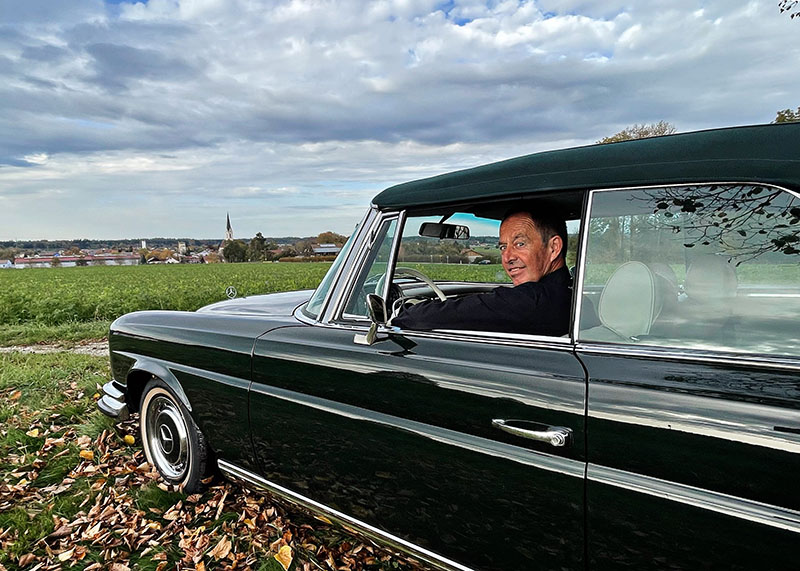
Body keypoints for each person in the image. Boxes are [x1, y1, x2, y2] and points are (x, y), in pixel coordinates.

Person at [390, 210, 572, 336]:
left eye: (520, 244)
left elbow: (421, 318)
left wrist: (402, 310)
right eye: (502, 247)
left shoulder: (531, 301)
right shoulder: (574, 297)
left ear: (553, 247)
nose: (507, 257)